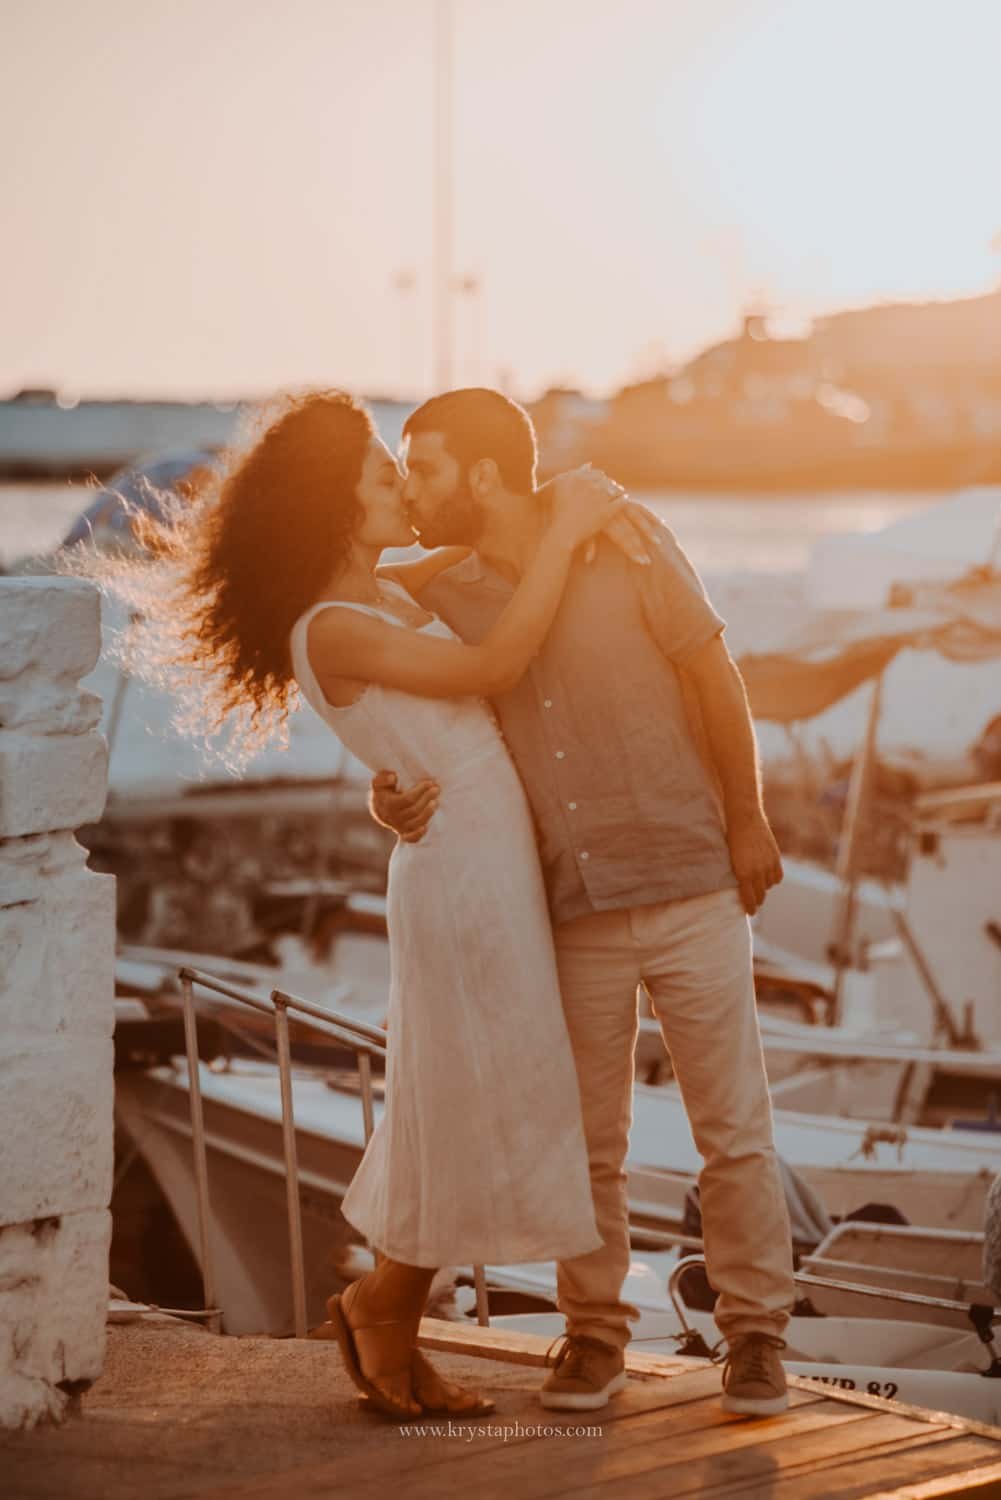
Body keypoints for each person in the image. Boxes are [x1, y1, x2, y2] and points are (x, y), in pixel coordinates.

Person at [79, 388, 653, 1421]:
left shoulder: (380, 592)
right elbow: (491, 661)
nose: (398, 485)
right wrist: (567, 528)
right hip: (462, 878)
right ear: (338, 503)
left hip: (480, 859)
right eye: (381, 475)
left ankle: (385, 1308)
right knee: (468, 1093)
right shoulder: (331, 625)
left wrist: (529, 527)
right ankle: (384, 1308)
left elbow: (471, 579)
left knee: (456, 1097)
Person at [369, 387, 797, 1417]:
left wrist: (747, 818)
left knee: (732, 1129)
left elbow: (712, 677)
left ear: (479, 474)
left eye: (422, 469)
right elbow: (411, 696)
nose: (409, 490)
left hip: (692, 874)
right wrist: (385, 790)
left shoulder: (626, 536)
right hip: (568, 901)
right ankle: (594, 1337)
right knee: (587, 1143)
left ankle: (755, 1341)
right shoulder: (448, 592)